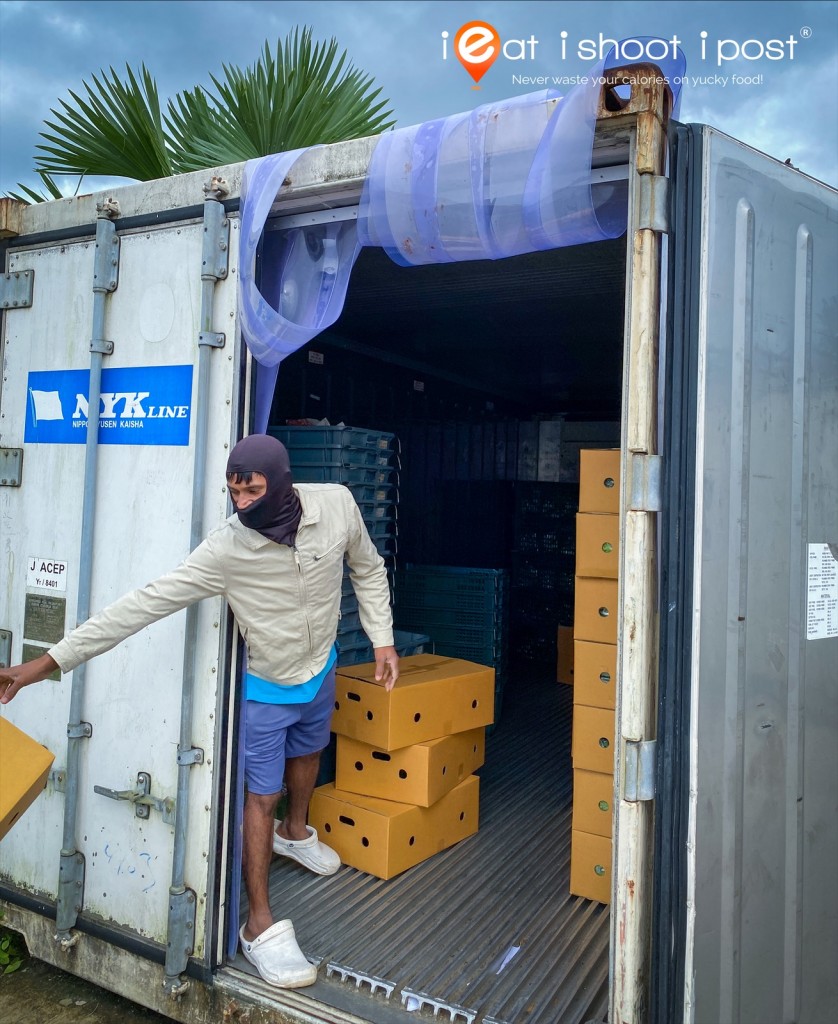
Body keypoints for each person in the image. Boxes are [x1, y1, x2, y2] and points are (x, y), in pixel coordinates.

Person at [0, 433, 399, 990]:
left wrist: (381, 639)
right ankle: (258, 926)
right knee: (260, 795)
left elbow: (368, 566)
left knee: (310, 750)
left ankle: (296, 829)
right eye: (234, 492)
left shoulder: (335, 504)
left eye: (253, 490)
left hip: (321, 666)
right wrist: (43, 663)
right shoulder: (228, 549)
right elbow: (138, 607)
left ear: (281, 482)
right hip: (267, 684)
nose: (243, 503)